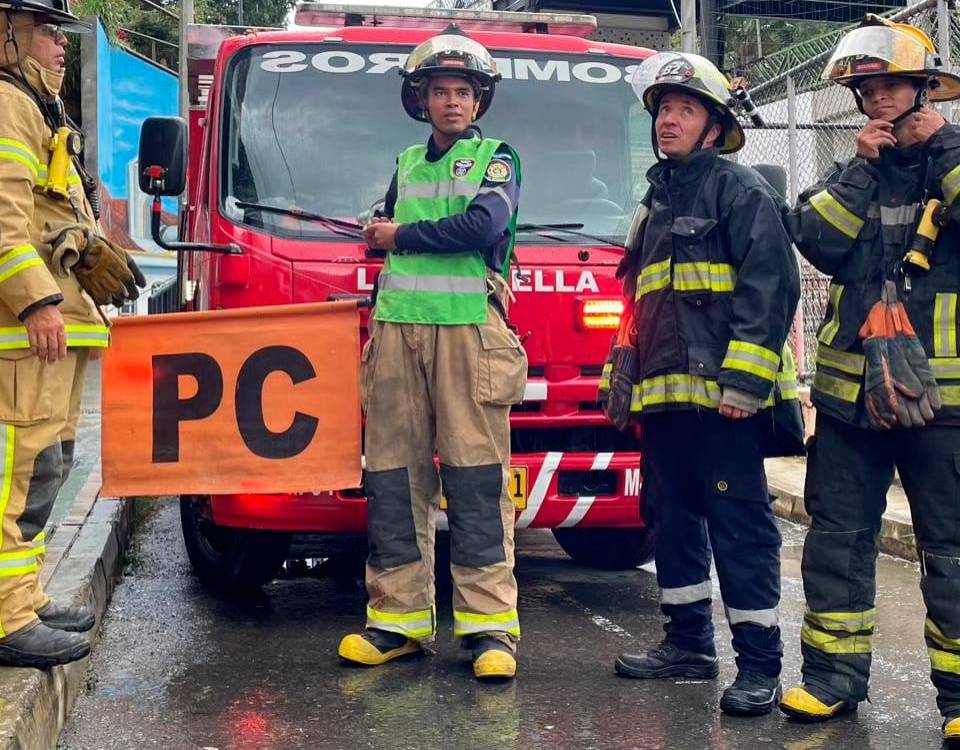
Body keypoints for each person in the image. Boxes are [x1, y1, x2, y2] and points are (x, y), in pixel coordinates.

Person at [778, 16, 960, 744]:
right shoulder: (847, 170)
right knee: (836, 539)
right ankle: (829, 681)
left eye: (890, 83)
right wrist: (860, 168)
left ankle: (957, 698)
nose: (877, 96)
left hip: (944, 401)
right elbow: (815, 237)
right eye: (866, 87)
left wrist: (940, 147)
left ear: (924, 88)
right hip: (850, 397)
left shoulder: (953, 153)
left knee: (949, 546)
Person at [603, 51, 801, 716]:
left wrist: (744, 385)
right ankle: (688, 645)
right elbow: (640, 303)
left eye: (685, 109)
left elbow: (769, 290)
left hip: (724, 403)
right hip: (664, 404)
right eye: (663, 109)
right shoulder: (655, 203)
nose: (669, 120)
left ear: (714, 128)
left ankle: (760, 666)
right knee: (673, 520)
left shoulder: (739, 191)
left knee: (739, 528)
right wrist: (622, 376)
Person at [337, 25, 527, 681]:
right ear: (420, 99)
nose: (452, 102)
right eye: (440, 91)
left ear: (479, 102)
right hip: (395, 332)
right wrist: (379, 229)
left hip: (469, 333)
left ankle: (489, 628)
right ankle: (397, 622)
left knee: (476, 483)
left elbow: (483, 226)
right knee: (392, 478)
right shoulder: (406, 165)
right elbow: (375, 231)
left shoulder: (497, 159)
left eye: (463, 92)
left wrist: (397, 234)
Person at [0, 0, 143, 668]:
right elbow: (4, 221)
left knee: (48, 466)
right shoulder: (7, 103)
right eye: (47, 29)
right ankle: (5, 617)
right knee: (17, 472)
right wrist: (36, 303)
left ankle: (22, 597)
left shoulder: (36, 107)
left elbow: (50, 209)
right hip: (25, 333)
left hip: (57, 329)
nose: (61, 43)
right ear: (7, 32)